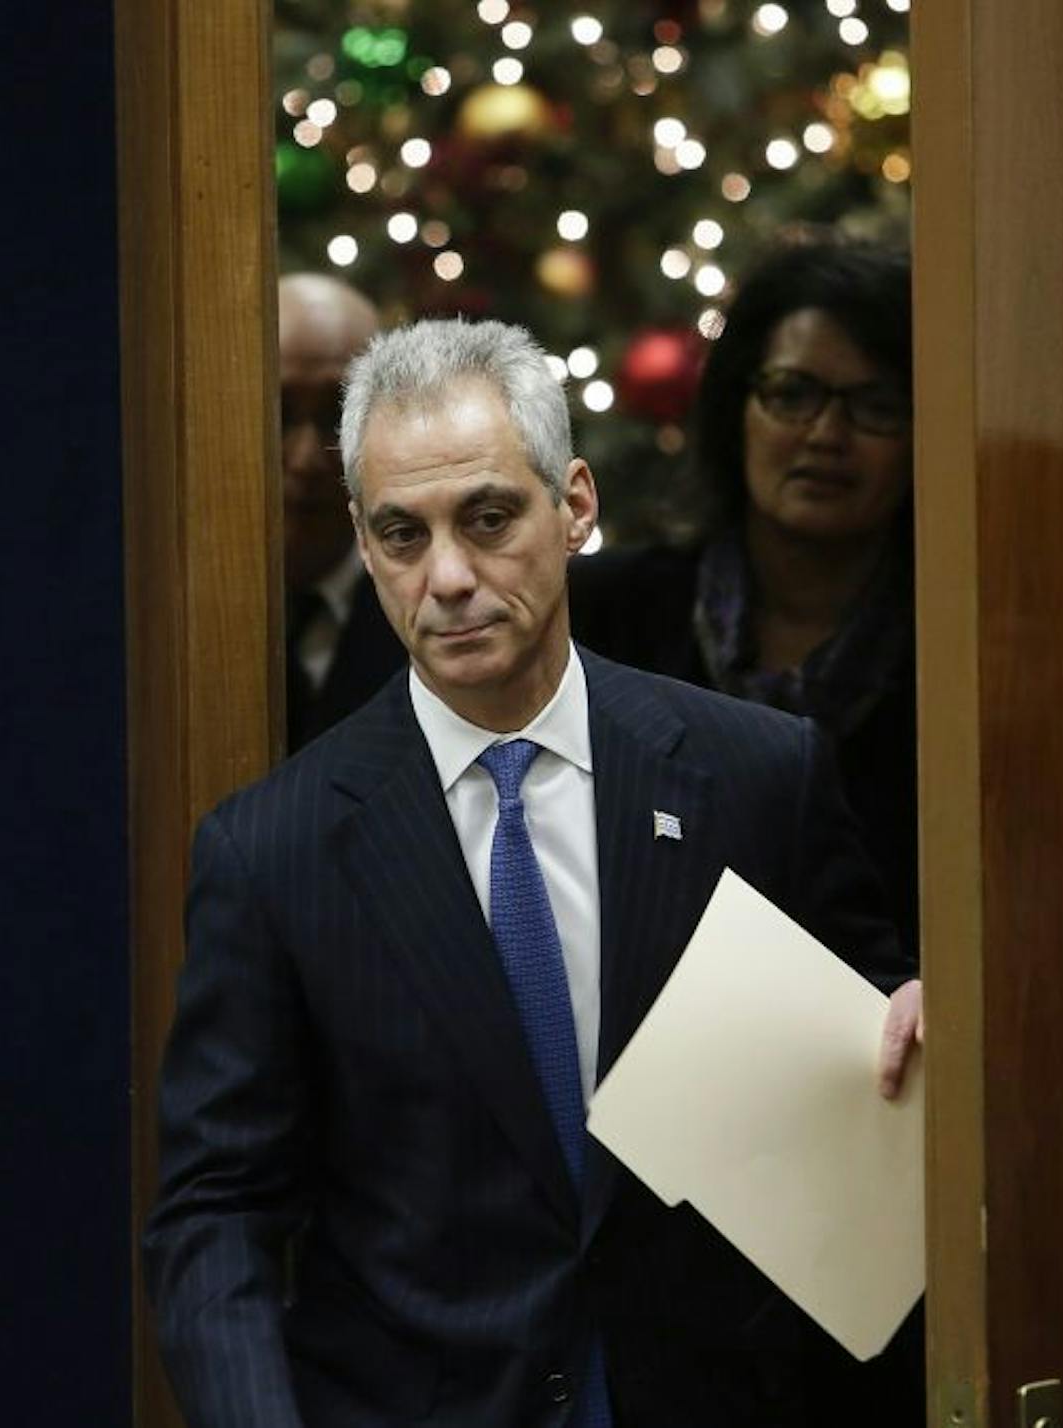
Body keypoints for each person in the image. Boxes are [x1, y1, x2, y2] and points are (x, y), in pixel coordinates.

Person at [144, 316, 926, 1427]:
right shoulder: (273, 851)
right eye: (402, 536)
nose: (449, 577)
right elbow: (215, 1211)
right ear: (366, 549)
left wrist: (916, 1019)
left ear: (576, 508)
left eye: (490, 517)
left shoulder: (756, 775)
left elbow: (880, 1037)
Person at [572, 240, 919, 955]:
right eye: (792, 395)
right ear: (737, 409)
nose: (827, 435)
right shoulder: (600, 617)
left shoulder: (959, 653)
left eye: (875, 406)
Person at [278, 272, 406, 750]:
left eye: (337, 417)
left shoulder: (433, 605)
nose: (306, 458)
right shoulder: (172, 614)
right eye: (278, 414)